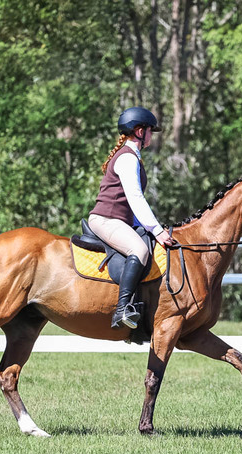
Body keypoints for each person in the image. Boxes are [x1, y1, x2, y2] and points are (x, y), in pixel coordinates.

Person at [88, 106, 177, 329]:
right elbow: (136, 199)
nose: (151, 135)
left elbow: (131, 205)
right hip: (106, 220)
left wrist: (150, 228)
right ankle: (122, 309)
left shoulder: (132, 156)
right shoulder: (127, 158)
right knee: (140, 250)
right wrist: (157, 231)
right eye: (150, 130)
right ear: (139, 131)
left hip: (118, 220)